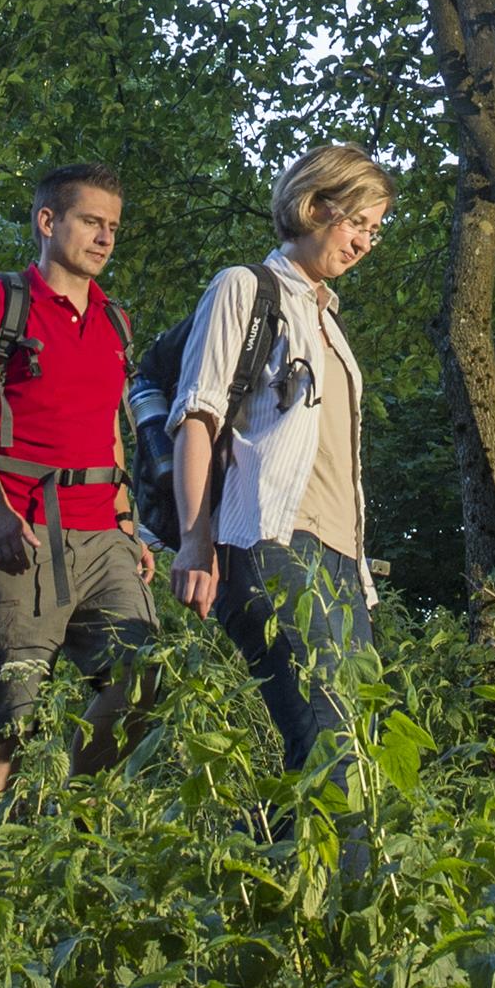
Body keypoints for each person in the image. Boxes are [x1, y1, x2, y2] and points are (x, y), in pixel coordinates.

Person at [170, 143, 393, 773]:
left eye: (374, 231)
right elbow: (197, 417)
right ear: (315, 206)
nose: (364, 243)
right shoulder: (246, 287)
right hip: (272, 542)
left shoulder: (330, 323)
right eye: (356, 223)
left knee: (359, 750)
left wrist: (357, 576)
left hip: (342, 561)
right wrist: (195, 542)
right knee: (331, 744)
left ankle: (268, 839)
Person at [0, 162, 157, 813]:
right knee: (6, 727)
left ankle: (59, 816)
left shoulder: (115, 321)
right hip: (21, 530)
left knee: (146, 680)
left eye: (112, 226)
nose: (105, 237)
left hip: (103, 532)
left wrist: (128, 522)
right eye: (91, 221)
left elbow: (111, 430)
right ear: (47, 221)